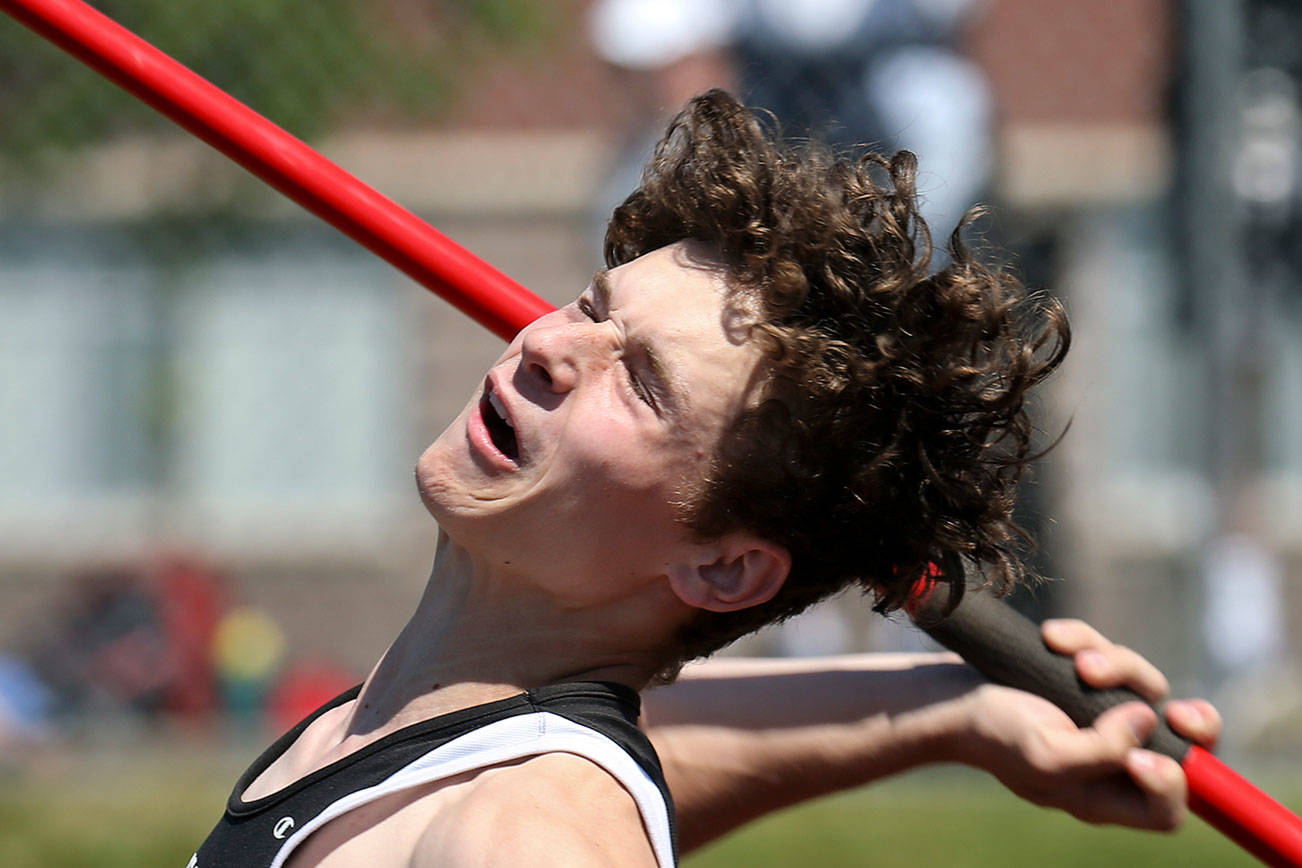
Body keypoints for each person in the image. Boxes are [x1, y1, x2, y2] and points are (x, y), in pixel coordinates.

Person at [191, 90, 1220, 867]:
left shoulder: (526, 832)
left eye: (641, 384)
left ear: (725, 567)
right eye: (596, 306)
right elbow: (644, 752)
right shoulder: (432, 729)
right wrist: (957, 705)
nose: (555, 347)